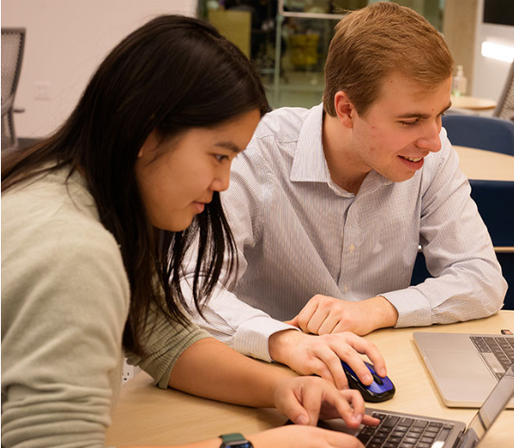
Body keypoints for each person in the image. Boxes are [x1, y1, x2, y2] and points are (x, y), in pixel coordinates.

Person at [1, 15, 375, 448]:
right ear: (145, 132)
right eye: (219, 156)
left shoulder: (60, 187)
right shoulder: (75, 253)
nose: (224, 183)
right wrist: (255, 446)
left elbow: (164, 341)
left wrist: (278, 389)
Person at [182, 2, 507, 390]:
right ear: (346, 109)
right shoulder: (257, 153)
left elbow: (483, 277)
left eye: (440, 115)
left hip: (379, 374)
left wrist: (376, 310)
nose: (434, 141)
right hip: (262, 380)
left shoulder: (431, 156)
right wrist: (284, 341)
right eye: (411, 120)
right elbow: (189, 287)